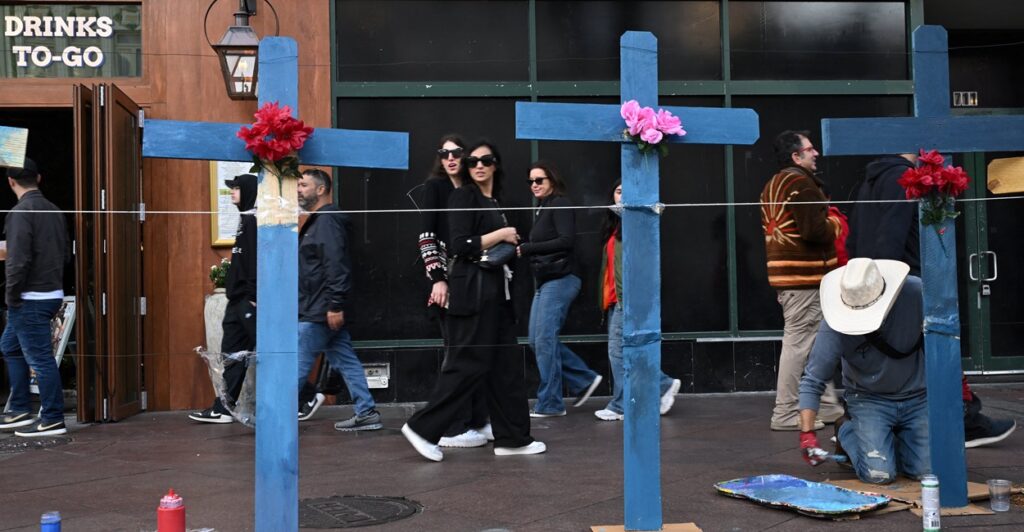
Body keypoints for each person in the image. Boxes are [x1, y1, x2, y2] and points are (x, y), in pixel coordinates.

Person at [848, 153, 1016, 448]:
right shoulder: (901, 177)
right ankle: (962, 421)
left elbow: (857, 236)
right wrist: (891, 288)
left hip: (878, 282)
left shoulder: (869, 181)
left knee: (912, 356)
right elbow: (892, 234)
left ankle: (935, 423)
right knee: (938, 347)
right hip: (905, 283)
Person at [402, 140, 544, 461]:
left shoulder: (496, 200)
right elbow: (459, 244)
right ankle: (424, 429)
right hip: (474, 292)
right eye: (473, 161)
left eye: (486, 160)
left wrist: (510, 241)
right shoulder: (463, 195)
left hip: (499, 294)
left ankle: (513, 438)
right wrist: (503, 234)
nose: (478, 165)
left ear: (496, 165)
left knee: (505, 367)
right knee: (468, 362)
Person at [798, 258, 929, 485]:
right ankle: (847, 430)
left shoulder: (915, 292)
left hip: (918, 395)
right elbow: (814, 378)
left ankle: (887, 440)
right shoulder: (835, 319)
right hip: (869, 398)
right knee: (879, 475)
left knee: (926, 473)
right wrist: (807, 434)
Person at [760, 130, 844, 431]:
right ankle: (787, 412)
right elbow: (814, 231)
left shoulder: (774, 183)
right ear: (796, 156)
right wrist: (835, 222)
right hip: (805, 278)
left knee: (812, 344)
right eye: (810, 149)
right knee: (801, 344)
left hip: (790, 278)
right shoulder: (800, 183)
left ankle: (826, 405)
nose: (816, 153)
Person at [416, 134, 491, 448]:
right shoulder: (435, 188)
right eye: (444, 153)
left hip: (476, 280)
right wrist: (438, 278)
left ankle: (478, 420)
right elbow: (426, 234)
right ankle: (454, 426)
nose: (450, 158)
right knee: (457, 353)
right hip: (448, 281)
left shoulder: (473, 190)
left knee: (476, 351)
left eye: (456, 153)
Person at [296, 168, 381, 431]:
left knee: (294, 365)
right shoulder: (321, 221)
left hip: (319, 311)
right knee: (346, 359)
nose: (299, 190)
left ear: (321, 190)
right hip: (323, 308)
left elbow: (336, 265)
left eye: (304, 185)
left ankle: (271, 420)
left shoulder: (327, 221)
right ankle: (366, 411)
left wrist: (334, 305)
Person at [517, 161, 601, 417]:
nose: (534, 185)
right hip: (547, 281)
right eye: (531, 181)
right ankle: (584, 379)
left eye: (539, 180)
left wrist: (528, 248)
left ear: (552, 180)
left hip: (562, 278)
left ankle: (551, 403)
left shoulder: (560, 204)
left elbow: (566, 240)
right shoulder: (543, 208)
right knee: (536, 339)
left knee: (543, 339)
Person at [594, 180, 681, 422]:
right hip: (614, 299)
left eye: (626, 191)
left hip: (628, 299)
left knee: (618, 352)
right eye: (618, 191)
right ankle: (659, 387)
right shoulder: (615, 228)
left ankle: (626, 402)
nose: (622, 196)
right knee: (626, 351)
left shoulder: (638, 224)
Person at [0, 158, 70, 437]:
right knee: (10, 346)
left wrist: (11, 296)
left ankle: (52, 417)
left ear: (10, 181)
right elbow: (64, 254)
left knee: (40, 359)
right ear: (38, 178)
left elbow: (18, 261)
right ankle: (19, 408)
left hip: (30, 296)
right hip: (50, 292)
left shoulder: (19, 212)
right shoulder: (54, 210)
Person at [189, 174, 258, 424]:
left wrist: (253, 296)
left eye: (236, 188)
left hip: (247, 302)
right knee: (232, 356)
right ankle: (223, 407)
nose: (232, 193)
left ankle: (304, 395)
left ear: (248, 191)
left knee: (273, 351)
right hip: (236, 301)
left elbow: (258, 262)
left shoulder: (254, 222)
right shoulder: (245, 220)